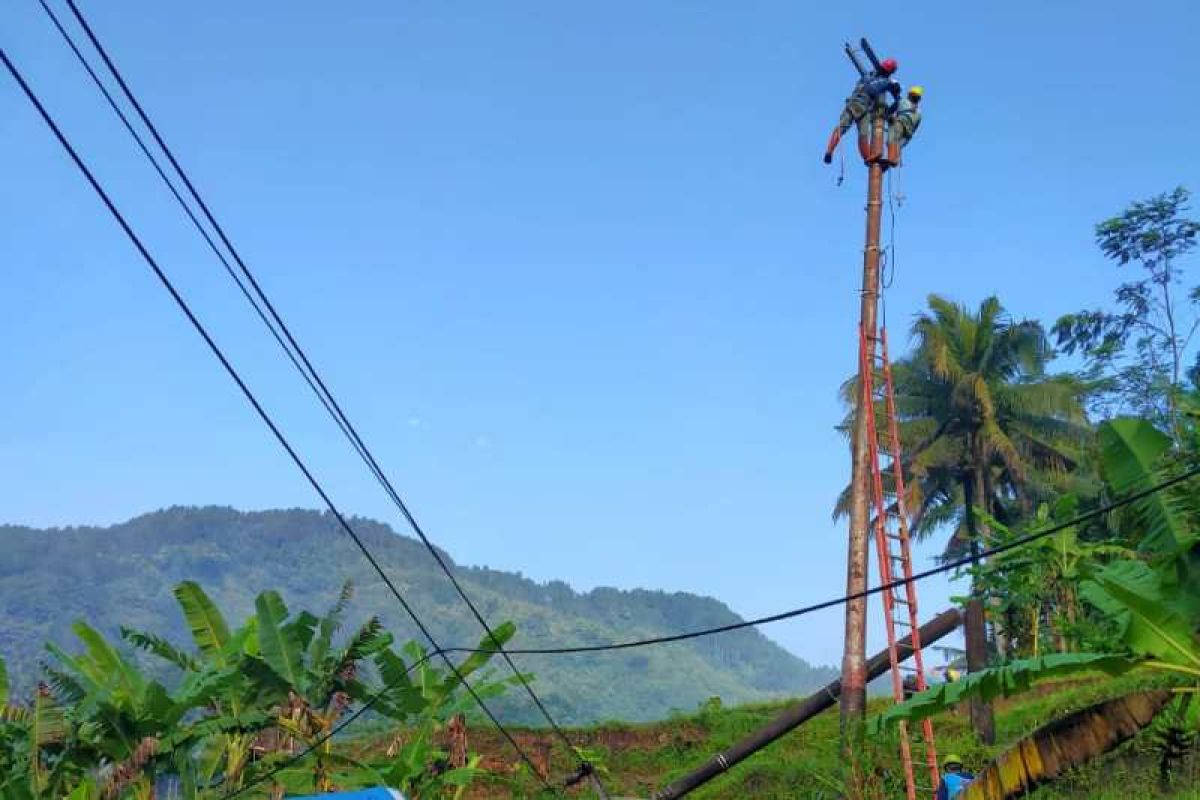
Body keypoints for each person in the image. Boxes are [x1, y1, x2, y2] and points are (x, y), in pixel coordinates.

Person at [823, 57, 901, 164]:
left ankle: (832, 151)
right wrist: (895, 93)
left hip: (857, 104)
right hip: (860, 105)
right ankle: (864, 157)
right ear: (890, 72)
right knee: (858, 133)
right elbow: (897, 93)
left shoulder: (869, 75)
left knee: (849, 130)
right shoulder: (886, 82)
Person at [885, 85, 923, 166]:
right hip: (908, 133)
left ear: (909, 95)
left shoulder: (902, 101)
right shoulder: (919, 113)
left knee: (891, 141)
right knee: (897, 145)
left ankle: (892, 159)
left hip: (900, 124)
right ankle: (894, 159)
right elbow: (914, 130)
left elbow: (888, 112)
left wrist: (889, 117)